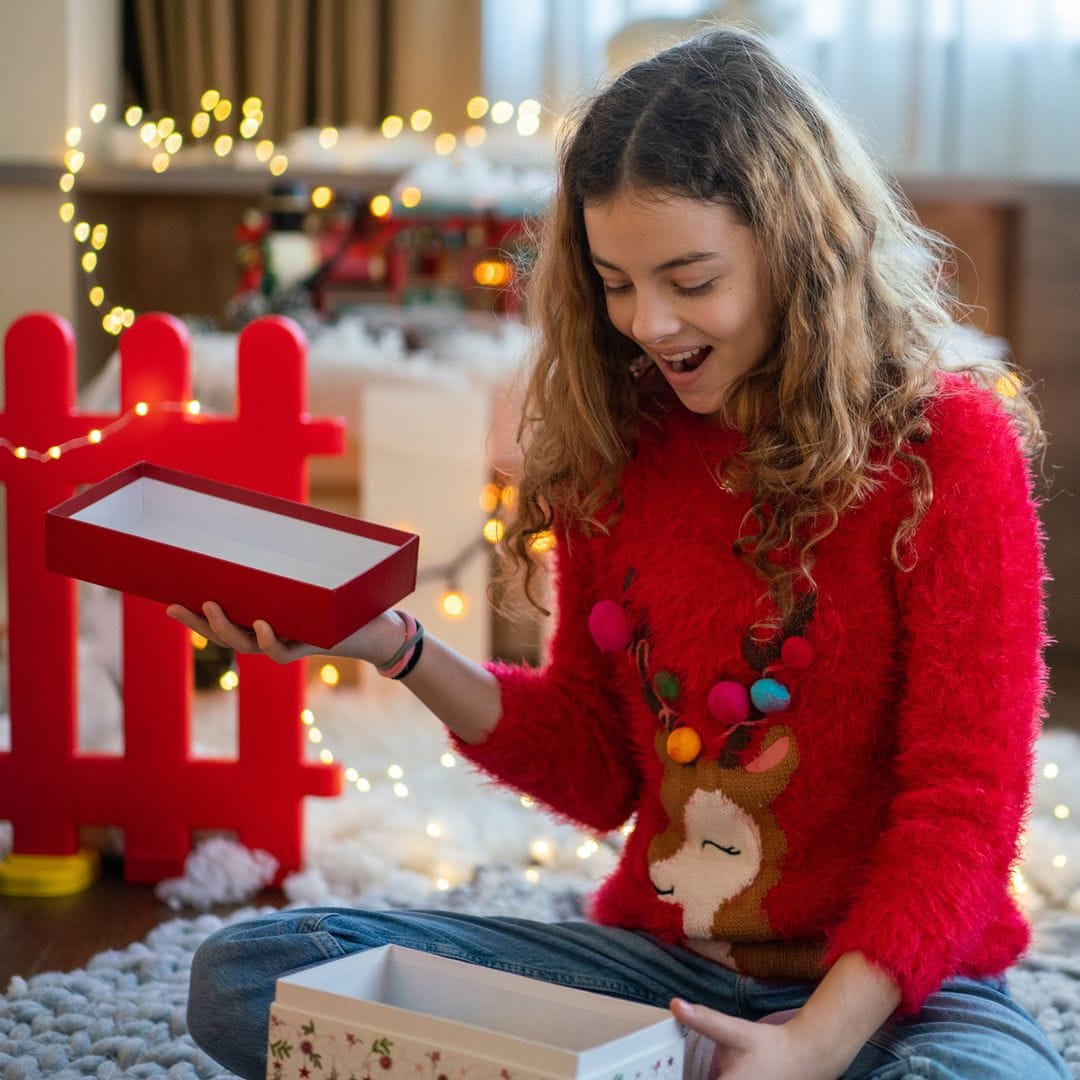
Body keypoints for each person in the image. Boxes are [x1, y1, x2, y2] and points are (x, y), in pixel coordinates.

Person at [173, 26, 1068, 1080]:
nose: (649, 323)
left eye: (691, 279)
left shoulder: (946, 448)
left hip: (892, 999)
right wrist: (395, 646)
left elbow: (963, 814)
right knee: (255, 975)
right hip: (662, 978)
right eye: (615, 282)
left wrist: (807, 1049)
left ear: (799, 249)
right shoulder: (621, 444)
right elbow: (597, 767)